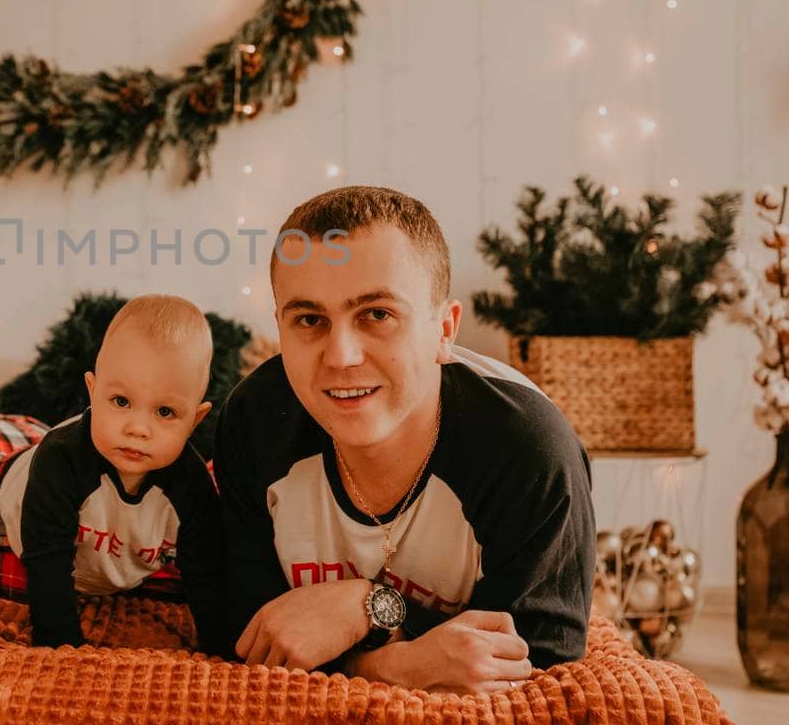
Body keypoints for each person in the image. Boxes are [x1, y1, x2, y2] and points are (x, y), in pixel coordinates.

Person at [213, 186, 594, 693]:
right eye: (310, 320)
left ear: (445, 330)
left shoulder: (528, 449)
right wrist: (398, 666)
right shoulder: (257, 420)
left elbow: (537, 659)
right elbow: (244, 632)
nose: (341, 355)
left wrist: (364, 609)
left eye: (377, 314)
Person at [0, 295, 233, 656]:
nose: (138, 428)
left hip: (108, 554)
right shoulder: (60, 459)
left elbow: (206, 578)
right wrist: (66, 654)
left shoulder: (192, 487)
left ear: (195, 420)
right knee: (7, 598)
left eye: (165, 411)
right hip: (17, 524)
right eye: (121, 402)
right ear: (93, 392)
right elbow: (47, 565)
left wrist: (224, 656)